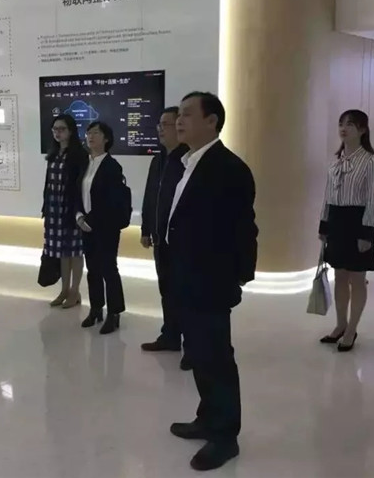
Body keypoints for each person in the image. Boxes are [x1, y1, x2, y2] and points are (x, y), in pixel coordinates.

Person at [167, 91, 257, 471]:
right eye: (179, 114)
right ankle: (207, 418)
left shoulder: (229, 168)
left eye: (188, 114)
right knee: (200, 356)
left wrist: (235, 279)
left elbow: (244, 230)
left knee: (217, 359)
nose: (179, 120)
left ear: (212, 121)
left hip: (211, 282)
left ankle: (225, 437)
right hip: (188, 277)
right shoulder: (187, 162)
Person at [318, 109, 374, 352]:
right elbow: (327, 196)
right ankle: (340, 324)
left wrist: (367, 234)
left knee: (357, 278)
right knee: (340, 275)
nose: (344, 128)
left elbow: (373, 201)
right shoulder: (336, 162)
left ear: (362, 130)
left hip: (357, 222)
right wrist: (323, 225)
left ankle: (352, 329)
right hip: (336, 221)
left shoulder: (371, 162)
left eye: (350, 125)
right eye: (341, 124)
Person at [139, 107, 191, 370]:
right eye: (159, 124)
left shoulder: (188, 160)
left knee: (185, 293)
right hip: (160, 239)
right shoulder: (158, 159)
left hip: (182, 242)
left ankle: (192, 347)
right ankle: (170, 336)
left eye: (166, 124)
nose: (160, 129)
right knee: (167, 290)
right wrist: (146, 228)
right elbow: (150, 196)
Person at [76, 121, 127, 335]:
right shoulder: (85, 164)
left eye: (96, 133)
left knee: (108, 269)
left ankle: (114, 313)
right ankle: (96, 308)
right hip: (85, 225)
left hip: (106, 226)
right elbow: (77, 193)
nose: (90, 136)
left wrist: (91, 220)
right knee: (93, 269)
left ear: (106, 138)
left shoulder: (112, 166)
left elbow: (110, 201)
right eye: (88, 133)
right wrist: (79, 216)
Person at [42, 114, 89, 308]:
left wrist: (78, 211)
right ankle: (64, 290)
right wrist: (46, 207)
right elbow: (48, 183)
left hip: (70, 208)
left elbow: (80, 186)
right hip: (54, 207)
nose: (57, 133)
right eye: (55, 129)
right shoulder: (54, 153)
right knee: (61, 251)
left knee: (75, 252)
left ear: (70, 131)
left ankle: (75, 291)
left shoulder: (79, 154)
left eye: (61, 129)